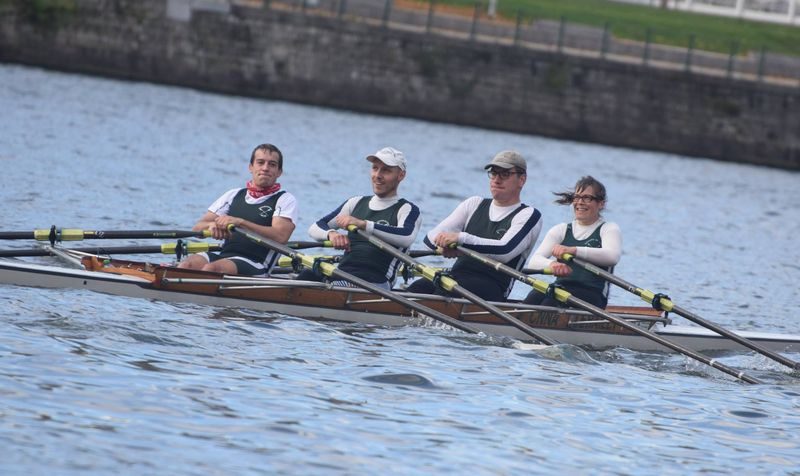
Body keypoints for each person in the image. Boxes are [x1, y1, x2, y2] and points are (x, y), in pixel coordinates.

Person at [406, 150, 542, 302]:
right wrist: (446, 246)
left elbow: (505, 250)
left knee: (442, 294)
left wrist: (461, 240)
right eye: (493, 173)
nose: (497, 179)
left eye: (504, 174)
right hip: (456, 276)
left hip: (492, 288)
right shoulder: (474, 204)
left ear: (521, 179)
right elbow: (429, 238)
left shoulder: (529, 215)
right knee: (416, 289)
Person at [298, 147, 421, 289]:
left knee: (333, 286)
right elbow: (315, 227)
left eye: (386, 170)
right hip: (342, 274)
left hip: (376, 282)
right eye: (375, 168)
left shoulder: (407, 209)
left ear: (401, 176)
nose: (378, 175)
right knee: (308, 275)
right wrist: (331, 234)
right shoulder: (355, 203)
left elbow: (406, 237)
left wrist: (364, 224)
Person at [178, 143, 298, 276]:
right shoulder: (233, 195)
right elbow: (197, 228)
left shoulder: (285, 199)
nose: (265, 168)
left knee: (210, 270)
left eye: (272, 164)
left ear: (279, 172)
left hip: (257, 264)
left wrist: (240, 222)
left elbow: (280, 236)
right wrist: (212, 226)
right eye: (260, 162)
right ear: (251, 167)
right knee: (185, 266)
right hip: (224, 257)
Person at [523, 176, 621, 309]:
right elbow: (534, 261)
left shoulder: (609, 229)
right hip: (561, 288)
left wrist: (573, 250)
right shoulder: (560, 230)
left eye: (587, 198)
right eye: (577, 197)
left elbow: (611, 257)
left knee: (550, 303)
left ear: (601, 203)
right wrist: (552, 264)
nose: (580, 202)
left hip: (592, 295)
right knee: (533, 297)